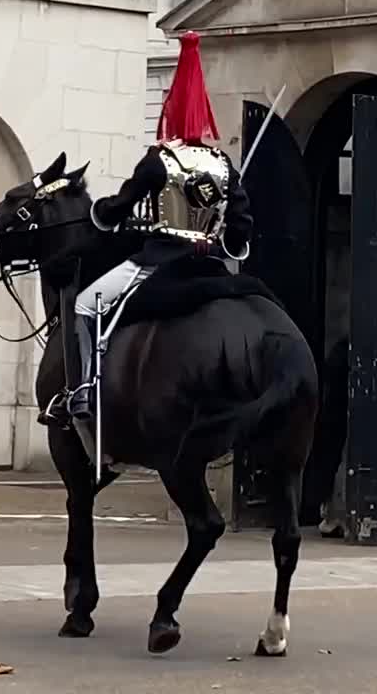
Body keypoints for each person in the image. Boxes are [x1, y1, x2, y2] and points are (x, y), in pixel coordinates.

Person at [40, 30, 253, 427]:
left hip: (156, 262)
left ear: (170, 109)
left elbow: (117, 209)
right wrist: (222, 242)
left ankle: (82, 391)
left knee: (86, 306)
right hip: (208, 264)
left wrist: (101, 211)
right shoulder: (223, 164)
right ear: (205, 112)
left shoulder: (158, 161)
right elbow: (241, 229)